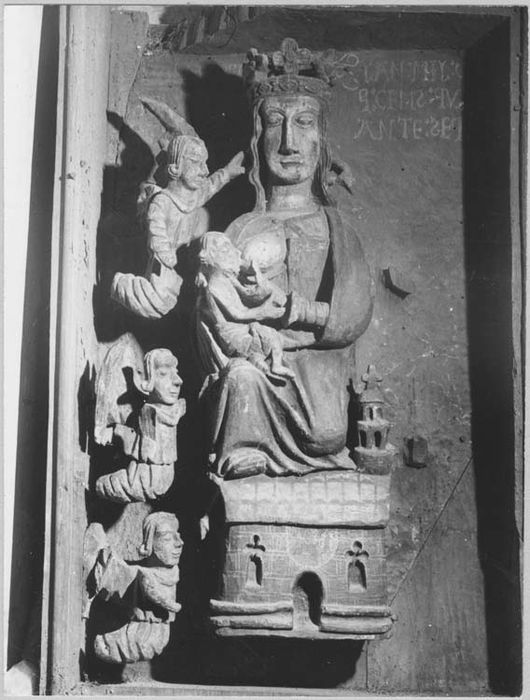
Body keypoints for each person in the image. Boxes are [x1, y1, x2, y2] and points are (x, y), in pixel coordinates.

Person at [196, 39, 374, 479]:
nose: (289, 142)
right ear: (258, 140)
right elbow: (212, 320)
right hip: (254, 369)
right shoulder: (241, 228)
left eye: (304, 122)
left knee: (326, 433)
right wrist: (230, 317)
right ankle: (246, 450)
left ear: (321, 141)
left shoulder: (336, 228)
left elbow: (351, 316)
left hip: (316, 377)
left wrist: (287, 311)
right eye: (275, 122)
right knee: (240, 381)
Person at [111, 135, 245, 318]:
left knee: (175, 298)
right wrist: (164, 254)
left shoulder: (193, 197)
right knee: (157, 303)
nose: (205, 170)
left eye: (204, 163)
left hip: (179, 261)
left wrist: (227, 173)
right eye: (196, 162)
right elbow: (156, 229)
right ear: (175, 168)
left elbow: (211, 186)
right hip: (161, 260)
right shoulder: (162, 201)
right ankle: (120, 285)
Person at [196, 231, 297, 379]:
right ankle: (271, 365)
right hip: (234, 335)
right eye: (226, 250)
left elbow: (246, 294)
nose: (235, 253)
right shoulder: (215, 285)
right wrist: (262, 312)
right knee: (270, 336)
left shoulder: (227, 278)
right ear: (213, 257)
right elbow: (238, 314)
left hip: (243, 328)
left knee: (271, 336)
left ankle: (265, 362)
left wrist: (257, 275)